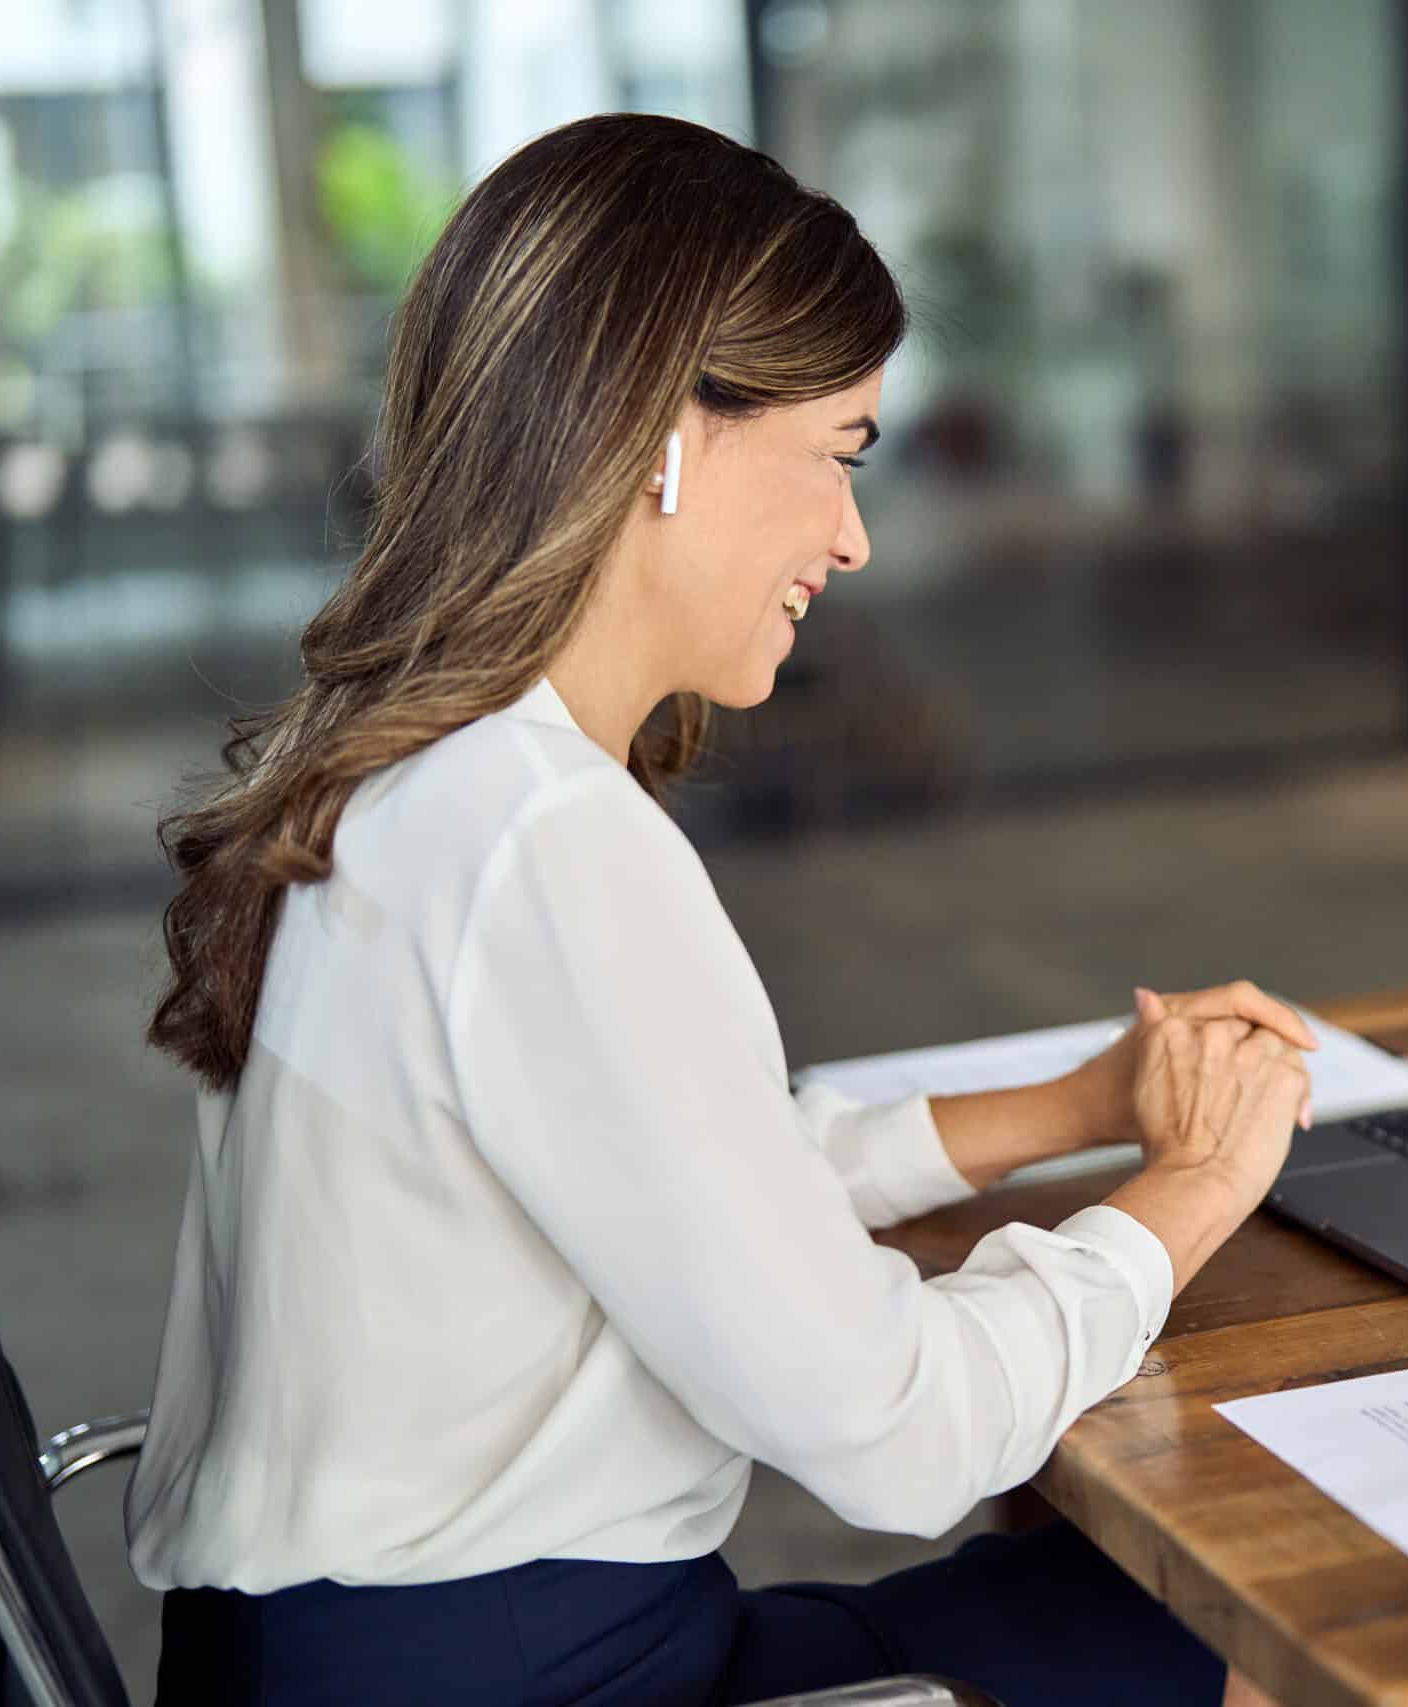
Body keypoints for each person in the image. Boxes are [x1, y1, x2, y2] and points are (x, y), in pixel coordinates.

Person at [125, 116, 1302, 1707]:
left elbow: (680, 1168)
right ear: (661, 429)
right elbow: (903, 1429)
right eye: (838, 450)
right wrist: (1195, 1187)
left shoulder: (406, 781)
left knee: (1093, 1607)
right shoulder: (540, 836)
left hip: (378, 1654)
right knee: (1237, 1640)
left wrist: (1077, 1106)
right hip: (528, 1676)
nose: (852, 537)